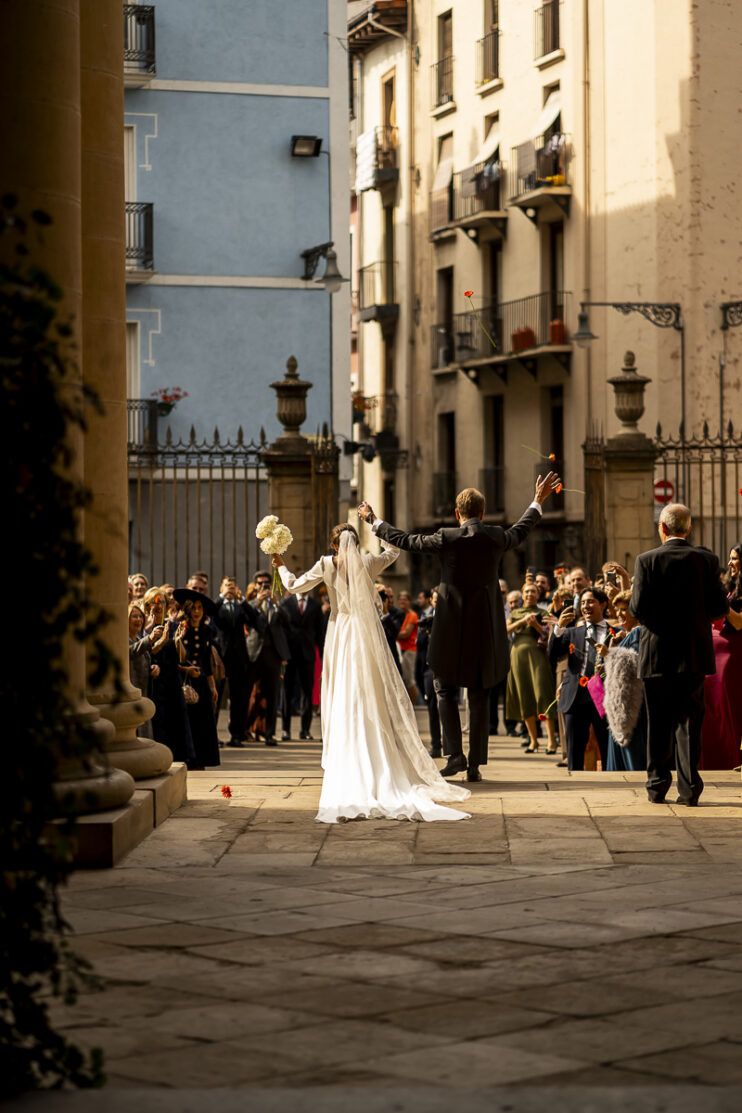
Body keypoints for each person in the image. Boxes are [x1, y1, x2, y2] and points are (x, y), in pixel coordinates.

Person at [359, 471, 561, 782]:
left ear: (458, 514)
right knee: (479, 693)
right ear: (483, 511)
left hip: (450, 627)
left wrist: (373, 520)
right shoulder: (495, 536)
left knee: (444, 689)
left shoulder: (446, 537)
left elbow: (406, 540)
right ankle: (475, 763)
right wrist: (537, 500)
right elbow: (521, 530)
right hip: (484, 629)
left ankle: (454, 755)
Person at [272, 524, 470, 822]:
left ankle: (348, 750)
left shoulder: (326, 564)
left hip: (340, 632)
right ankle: (378, 748)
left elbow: (294, 586)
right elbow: (393, 552)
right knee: (371, 689)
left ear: (335, 545)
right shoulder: (367, 562)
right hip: (364, 633)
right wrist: (376, 526)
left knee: (342, 690)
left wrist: (281, 566)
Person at [629, 503, 729, 805]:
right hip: (693, 653)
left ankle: (657, 786)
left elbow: (637, 609)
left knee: (657, 722)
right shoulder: (707, 561)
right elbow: (718, 609)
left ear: (662, 528)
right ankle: (689, 789)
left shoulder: (646, 560)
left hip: (657, 653)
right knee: (689, 723)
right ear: (690, 528)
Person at [548, 587, 613, 770]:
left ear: (603, 604)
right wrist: (559, 627)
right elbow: (552, 655)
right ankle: (574, 782)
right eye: (582, 603)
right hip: (576, 695)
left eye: (590, 601)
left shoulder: (615, 632)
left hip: (604, 695)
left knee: (607, 745)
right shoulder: (572, 633)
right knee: (574, 748)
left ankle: (613, 780)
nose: (585, 606)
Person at [142, 587, 195, 766]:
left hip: (171, 680)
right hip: (153, 681)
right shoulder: (143, 626)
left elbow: (182, 657)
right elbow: (143, 651)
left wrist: (178, 641)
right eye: (152, 603)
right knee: (158, 721)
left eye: (161, 602)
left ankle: (179, 757)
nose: (157, 607)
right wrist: (151, 629)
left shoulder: (172, 625)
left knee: (176, 720)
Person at [701, 544, 742, 768]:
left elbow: (739, 622)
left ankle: (734, 757)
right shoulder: (731, 587)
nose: (729, 563)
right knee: (714, 709)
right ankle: (719, 759)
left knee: (731, 708)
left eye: (734, 558)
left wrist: (721, 602)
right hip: (715, 654)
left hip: (734, 656)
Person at [505, 582, 557, 753]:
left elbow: (549, 634)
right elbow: (506, 629)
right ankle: (533, 741)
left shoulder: (543, 612)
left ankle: (551, 741)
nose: (529, 594)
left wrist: (535, 624)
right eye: (526, 591)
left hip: (537, 655)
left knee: (543, 693)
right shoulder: (515, 612)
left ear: (538, 594)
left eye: (533, 591)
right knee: (524, 694)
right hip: (518, 655)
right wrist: (523, 621)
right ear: (522, 594)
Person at [172, 589, 221, 769]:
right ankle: (188, 758)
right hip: (183, 681)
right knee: (188, 721)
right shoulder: (178, 628)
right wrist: (186, 669)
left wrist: (212, 685)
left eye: (200, 608)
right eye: (193, 608)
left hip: (201, 681)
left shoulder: (207, 630)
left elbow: (206, 660)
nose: (197, 611)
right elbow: (174, 658)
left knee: (203, 721)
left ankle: (202, 758)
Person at [214, 576, 264, 748]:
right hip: (220, 658)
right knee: (216, 696)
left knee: (238, 698)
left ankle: (236, 734)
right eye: (227, 586)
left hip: (238, 659)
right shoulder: (218, 605)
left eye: (233, 587)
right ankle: (212, 735)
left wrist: (242, 600)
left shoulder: (240, 607)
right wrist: (221, 597)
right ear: (221, 587)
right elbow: (212, 613)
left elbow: (255, 619)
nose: (230, 589)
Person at [600, 590, 647, 771]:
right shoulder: (624, 634)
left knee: (632, 759)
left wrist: (609, 654)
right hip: (617, 708)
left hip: (631, 708)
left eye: (624, 609)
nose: (619, 614)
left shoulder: (638, 634)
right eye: (617, 610)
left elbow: (635, 663)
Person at [250, 570, 290, 746]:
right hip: (254, 654)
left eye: (267, 583)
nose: (264, 586)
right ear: (255, 585)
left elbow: (288, 622)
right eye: (260, 584)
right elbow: (246, 618)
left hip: (273, 654)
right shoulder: (251, 603)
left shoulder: (277, 604)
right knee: (250, 695)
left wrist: (277, 603)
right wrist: (258, 602)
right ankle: (245, 730)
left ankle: (269, 733)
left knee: (273, 695)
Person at [280, 581, 325, 740]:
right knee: (287, 692)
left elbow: (320, 632)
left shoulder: (315, 605)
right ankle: (285, 729)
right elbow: (281, 631)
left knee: (307, 692)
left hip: (307, 655)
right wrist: (282, 654)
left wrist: (324, 655)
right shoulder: (285, 603)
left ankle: (305, 730)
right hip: (289, 655)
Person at [128, 601, 159, 740]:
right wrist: (150, 638)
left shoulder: (139, 638)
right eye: (134, 616)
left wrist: (154, 668)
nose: (139, 620)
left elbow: (145, 658)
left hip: (144, 691)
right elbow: (130, 652)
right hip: (132, 693)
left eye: (141, 616)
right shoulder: (123, 639)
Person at [396, 592, 419, 702]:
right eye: (400, 599)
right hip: (399, 649)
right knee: (403, 680)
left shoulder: (412, 615)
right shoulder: (398, 614)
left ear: (409, 601)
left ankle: (415, 705)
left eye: (405, 599)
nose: (402, 601)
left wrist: (393, 633)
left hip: (409, 650)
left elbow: (406, 634)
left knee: (409, 680)